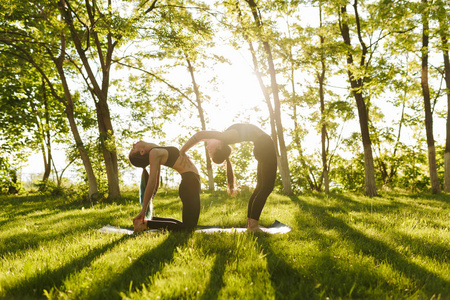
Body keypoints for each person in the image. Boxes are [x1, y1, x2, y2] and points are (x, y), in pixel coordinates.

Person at [180, 123, 277, 232]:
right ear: (220, 146)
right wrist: (182, 151)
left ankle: (250, 224)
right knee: (265, 188)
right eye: (210, 150)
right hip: (266, 146)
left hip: (261, 146)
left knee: (260, 188)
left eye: (208, 150)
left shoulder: (223, 137)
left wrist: (183, 150)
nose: (207, 147)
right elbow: (199, 135)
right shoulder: (225, 137)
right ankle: (253, 226)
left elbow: (200, 136)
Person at [129, 141, 201, 232]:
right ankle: (145, 224)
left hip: (191, 182)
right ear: (142, 152)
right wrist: (144, 210)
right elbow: (152, 181)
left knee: (187, 225)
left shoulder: (155, 150)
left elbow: (156, 183)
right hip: (189, 184)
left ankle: (149, 221)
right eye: (133, 149)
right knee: (188, 228)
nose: (133, 145)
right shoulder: (154, 153)